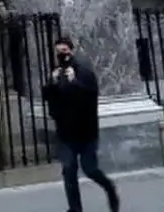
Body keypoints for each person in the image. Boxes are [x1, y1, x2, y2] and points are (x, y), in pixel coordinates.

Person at [42, 36, 121, 212]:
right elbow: (48, 97)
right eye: (58, 52)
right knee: (69, 171)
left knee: (90, 169)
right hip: (65, 132)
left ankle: (109, 187)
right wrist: (52, 82)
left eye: (64, 51)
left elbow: (90, 96)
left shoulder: (83, 71)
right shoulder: (57, 73)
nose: (61, 55)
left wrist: (74, 82)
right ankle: (75, 209)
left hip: (86, 132)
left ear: (71, 51)